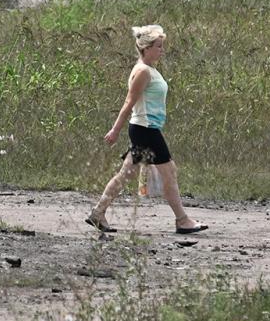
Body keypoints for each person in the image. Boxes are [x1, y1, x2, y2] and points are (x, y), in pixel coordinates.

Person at [86, 24, 207, 234]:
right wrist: (115, 130)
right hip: (146, 129)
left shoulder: (149, 69)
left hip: (145, 128)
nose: (162, 50)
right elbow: (128, 102)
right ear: (146, 48)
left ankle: (98, 212)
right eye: (158, 46)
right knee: (169, 172)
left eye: (162, 46)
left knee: (126, 174)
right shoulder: (142, 71)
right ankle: (182, 220)